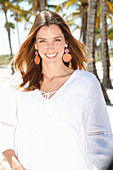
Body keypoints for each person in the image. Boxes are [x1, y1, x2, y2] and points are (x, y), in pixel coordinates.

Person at [0, 10, 113, 170]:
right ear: (35, 45)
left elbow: (101, 142)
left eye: (56, 39)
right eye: (43, 41)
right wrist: (15, 165)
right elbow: (5, 133)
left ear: (66, 42)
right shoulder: (18, 83)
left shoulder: (86, 84)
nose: (50, 47)